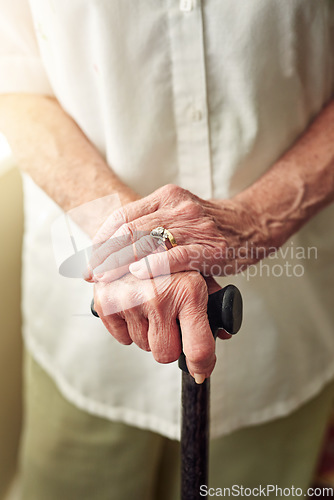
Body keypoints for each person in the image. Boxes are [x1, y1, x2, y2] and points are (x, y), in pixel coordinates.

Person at [1, 0, 334, 498]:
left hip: (282, 331)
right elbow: (15, 79)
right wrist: (138, 247)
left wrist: (253, 221)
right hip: (88, 340)